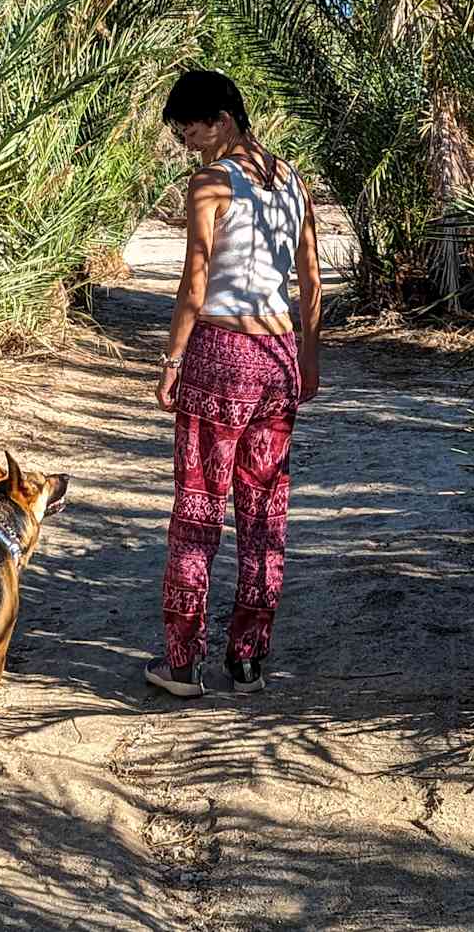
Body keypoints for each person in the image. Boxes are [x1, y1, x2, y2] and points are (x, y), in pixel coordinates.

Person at [145, 69, 321, 698]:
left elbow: (195, 284)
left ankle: (182, 662)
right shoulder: (289, 178)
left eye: (189, 123)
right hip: (276, 355)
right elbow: (308, 279)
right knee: (263, 511)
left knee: (198, 505)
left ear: (222, 118)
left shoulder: (211, 184)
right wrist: (309, 356)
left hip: (220, 352)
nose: (183, 136)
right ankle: (247, 660)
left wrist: (170, 362)